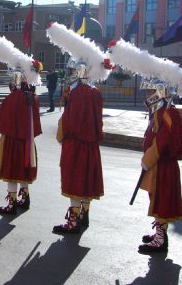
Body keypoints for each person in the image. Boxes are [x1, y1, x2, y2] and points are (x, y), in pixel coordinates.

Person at [107, 39, 182, 253]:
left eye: (150, 91)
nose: (147, 96)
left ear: (160, 92)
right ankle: (159, 233)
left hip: (162, 164)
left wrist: (147, 159)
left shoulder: (167, 113)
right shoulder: (162, 112)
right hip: (157, 164)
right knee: (156, 198)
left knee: (162, 201)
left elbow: (163, 141)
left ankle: (161, 239)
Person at [46, 22, 111, 234]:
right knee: (86, 181)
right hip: (91, 145)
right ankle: (84, 213)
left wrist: (62, 130)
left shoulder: (78, 93)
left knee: (75, 180)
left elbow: (71, 121)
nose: (71, 73)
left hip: (76, 143)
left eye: (74, 70)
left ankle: (73, 220)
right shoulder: (95, 92)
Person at [0, 35, 43, 215]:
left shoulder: (14, 97)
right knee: (24, 171)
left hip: (13, 141)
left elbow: (1, 120)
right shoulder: (33, 97)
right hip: (28, 142)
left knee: (12, 172)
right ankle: (25, 197)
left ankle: (12, 202)